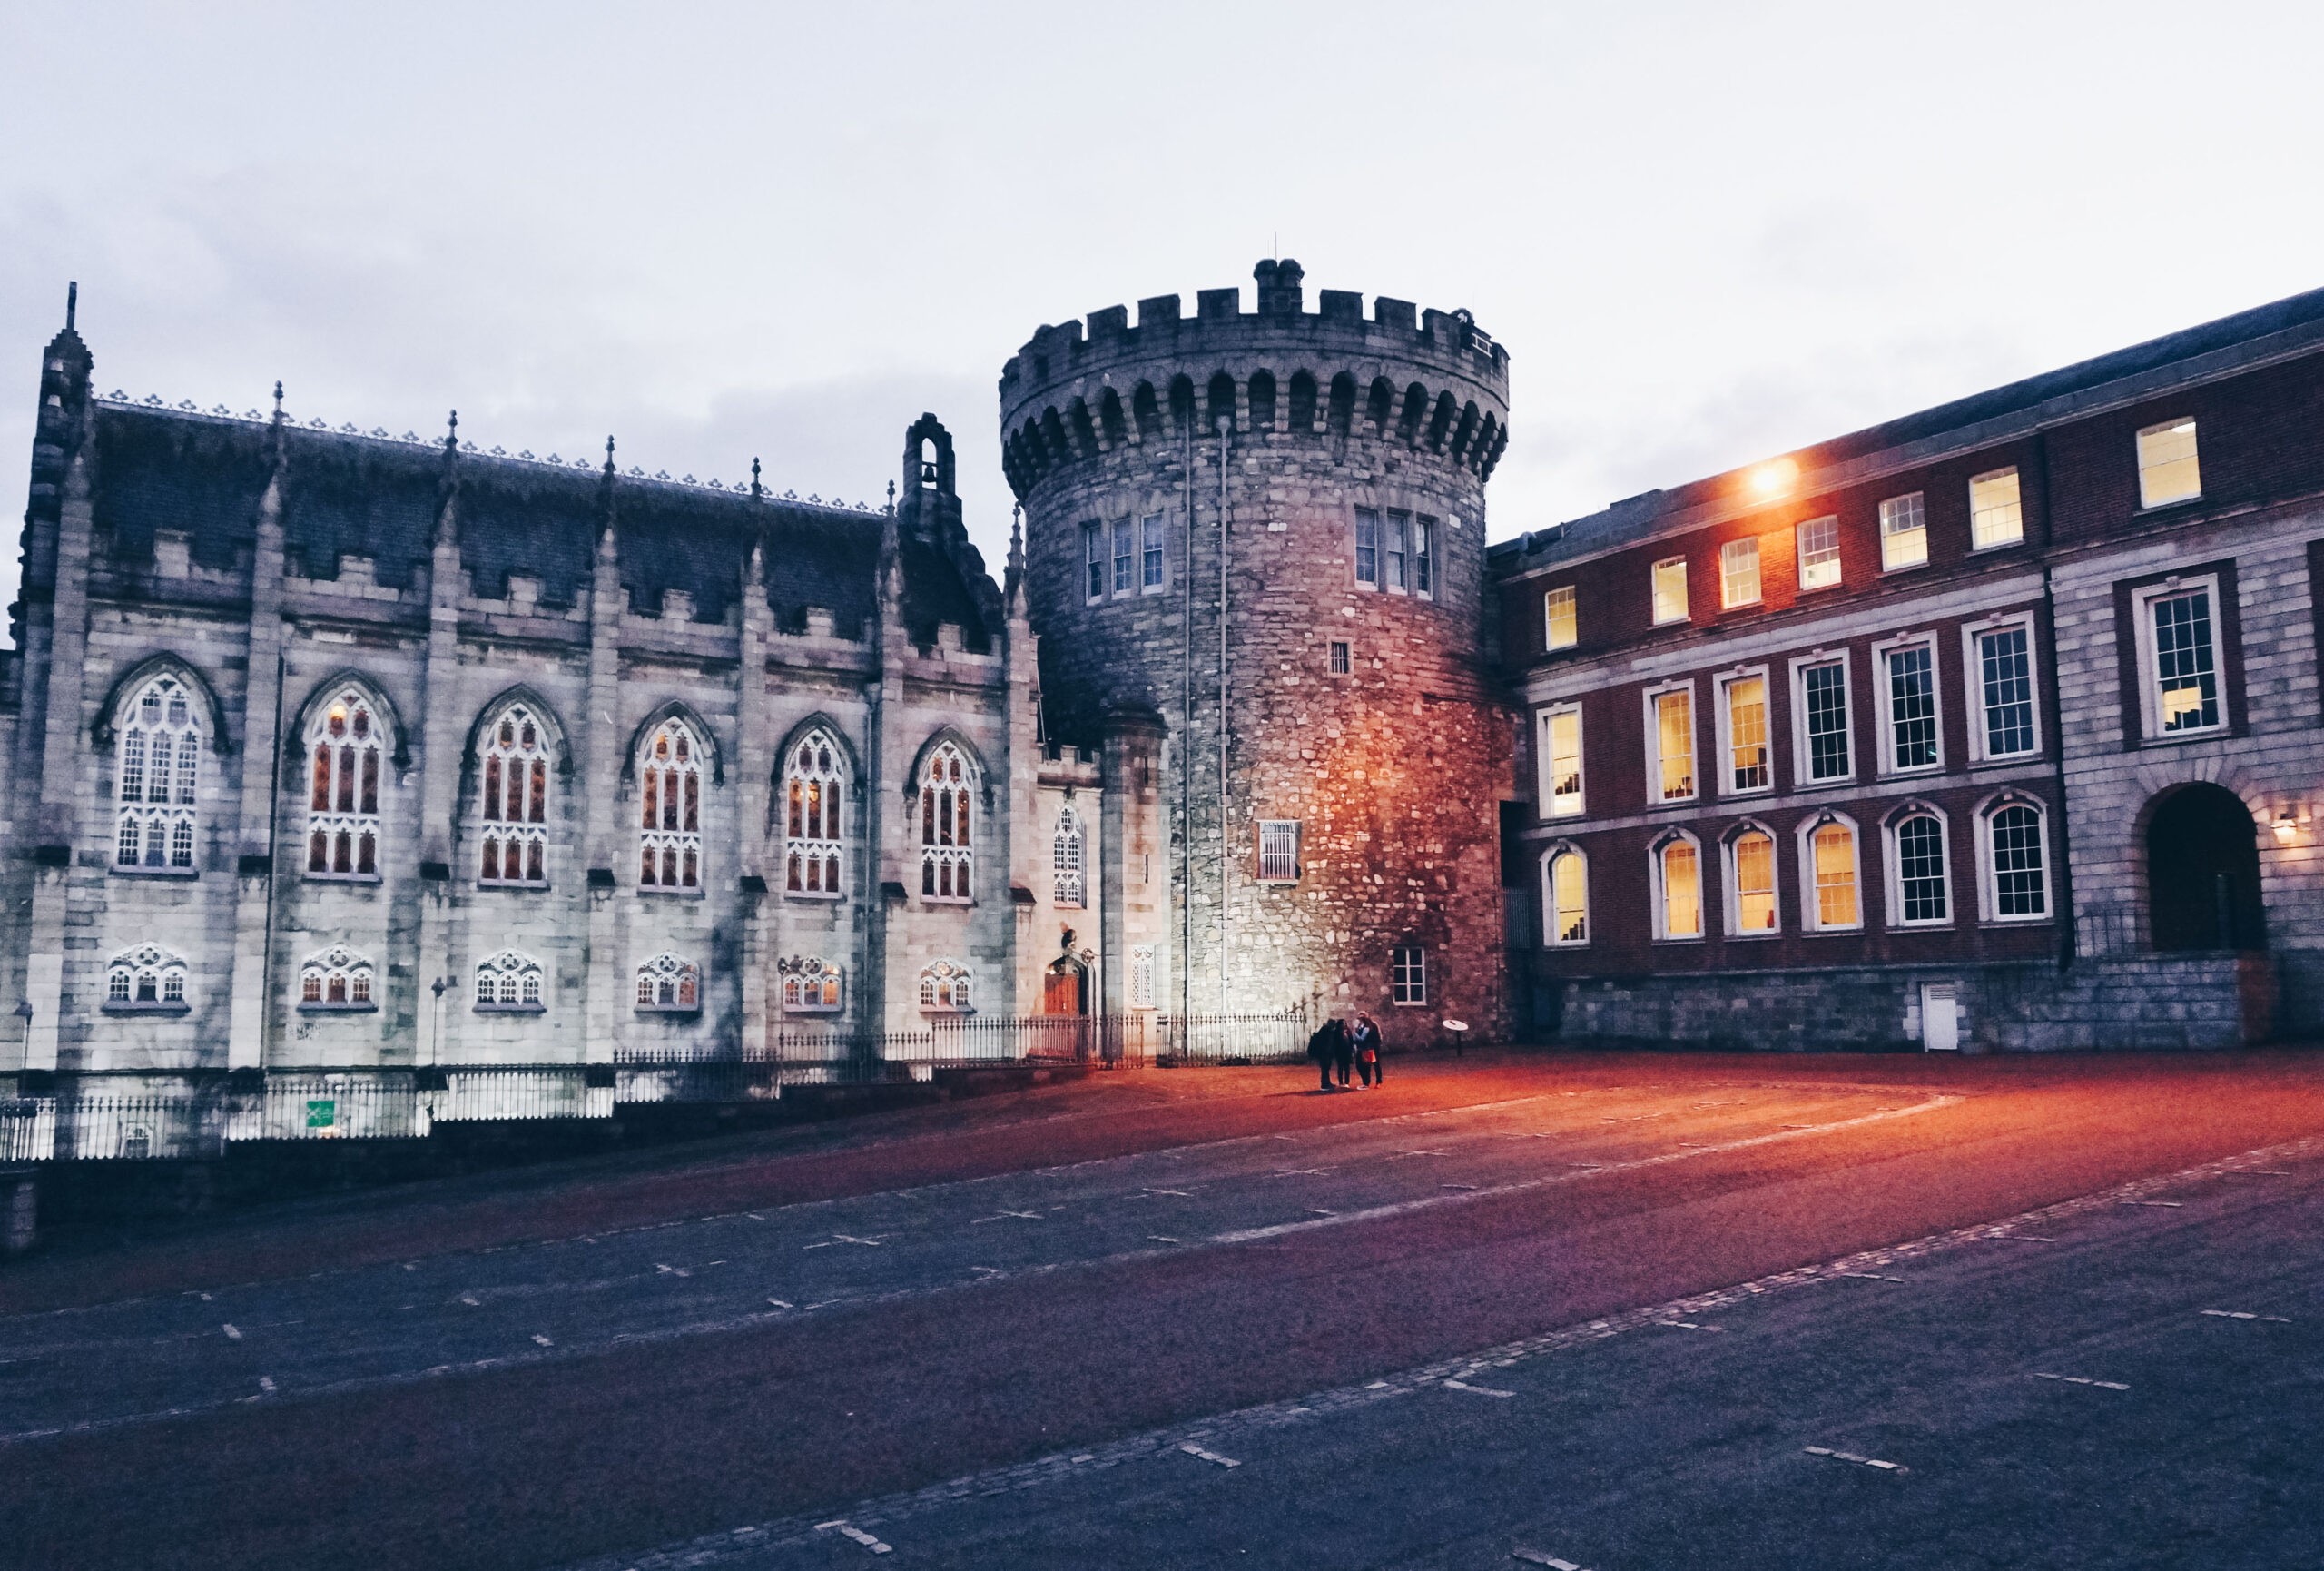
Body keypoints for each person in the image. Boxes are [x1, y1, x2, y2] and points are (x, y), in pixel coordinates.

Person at [1306, 1018, 1338, 1092]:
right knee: (1325, 1069)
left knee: (1326, 1069)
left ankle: (1328, 1083)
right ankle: (1324, 1085)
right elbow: (1325, 1043)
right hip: (1324, 1054)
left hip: (1326, 1054)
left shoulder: (1327, 1030)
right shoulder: (1326, 1030)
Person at [1354, 1013, 1383, 1086]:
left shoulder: (1372, 1025)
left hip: (1371, 1047)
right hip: (1368, 1047)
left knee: (1374, 1064)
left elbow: (1378, 1035)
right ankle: (1371, 1081)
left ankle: (1377, 1081)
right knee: (1369, 1064)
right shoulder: (1362, 1026)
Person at [1332, 1016, 1355, 1089]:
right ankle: (1341, 1082)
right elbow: (1334, 1043)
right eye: (1342, 1023)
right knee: (1340, 1068)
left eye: (1344, 1023)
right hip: (1339, 1052)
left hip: (1347, 1052)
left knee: (1347, 1068)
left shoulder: (1348, 1031)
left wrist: (1352, 1050)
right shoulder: (1336, 1032)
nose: (1343, 1025)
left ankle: (1347, 1082)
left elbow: (1351, 1041)